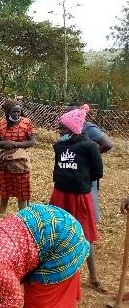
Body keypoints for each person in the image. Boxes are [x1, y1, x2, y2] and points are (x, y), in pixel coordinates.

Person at [49, 104, 105, 292]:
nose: (60, 132)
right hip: (60, 194)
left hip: (80, 196)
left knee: (85, 235)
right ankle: (60, 273)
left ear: (72, 128)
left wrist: (81, 182)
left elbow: (97, 171)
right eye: (60, 129)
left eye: (63, 129)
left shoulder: (89, 146)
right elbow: (57, 168)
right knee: (59, 233)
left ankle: (93, 276)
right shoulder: (59, 146)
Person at [69, 103, 114, 223]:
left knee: (89, 195)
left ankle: (90, 227)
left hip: (86, 171)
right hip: (72, 170)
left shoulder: (88, 128)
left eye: (74, 112)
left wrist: (89, 156)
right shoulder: (68, 129)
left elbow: (108, 144)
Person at [0, 101, 36, 216]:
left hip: (20, 161)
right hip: (5, 161)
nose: (17, 114)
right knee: (4, 189)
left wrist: (16, 144)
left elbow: (32, 142)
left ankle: (23, 217)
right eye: (14, 112)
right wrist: (5, 143)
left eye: (19, 111)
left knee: (22, 190)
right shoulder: (2, 124)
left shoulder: (26, 123)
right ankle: (2, 215)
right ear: (8, 112)